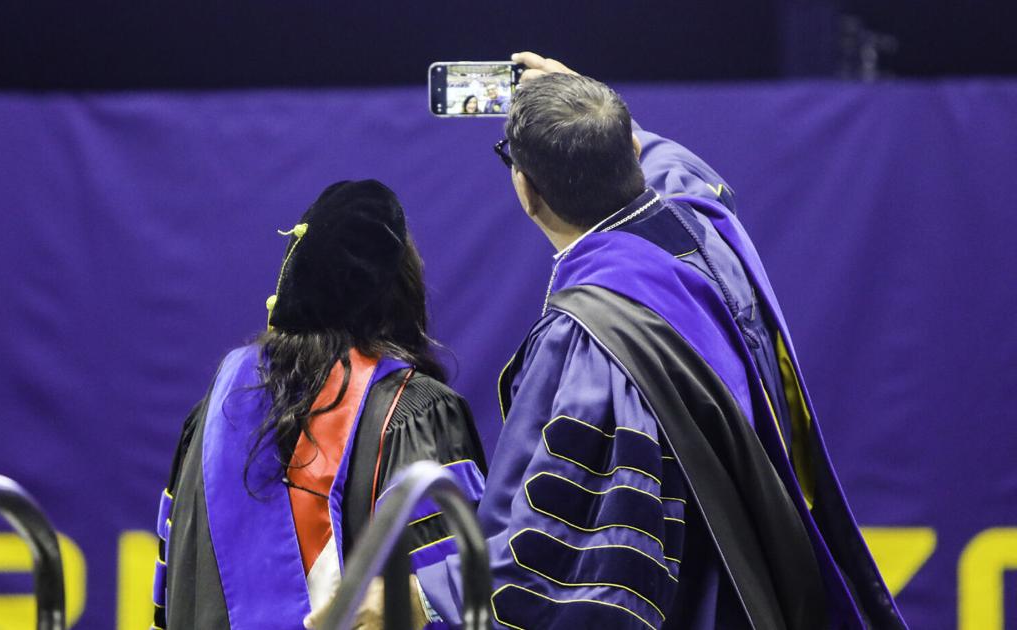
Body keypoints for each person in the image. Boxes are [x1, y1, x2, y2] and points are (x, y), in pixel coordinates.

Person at [354, 52, 907, 628]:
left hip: (703, 598)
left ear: (525, 191)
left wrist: (422, 597)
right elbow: (674, 167)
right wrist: (582, 103)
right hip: (770, 564)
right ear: (633, 153)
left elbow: (572, 544)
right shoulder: (704, 228)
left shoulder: (592, 338)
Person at [151, 180, 488, 629]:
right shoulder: (417, 413)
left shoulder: (210, 419)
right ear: (400, 290)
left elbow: (166, 604)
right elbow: (457, 604)